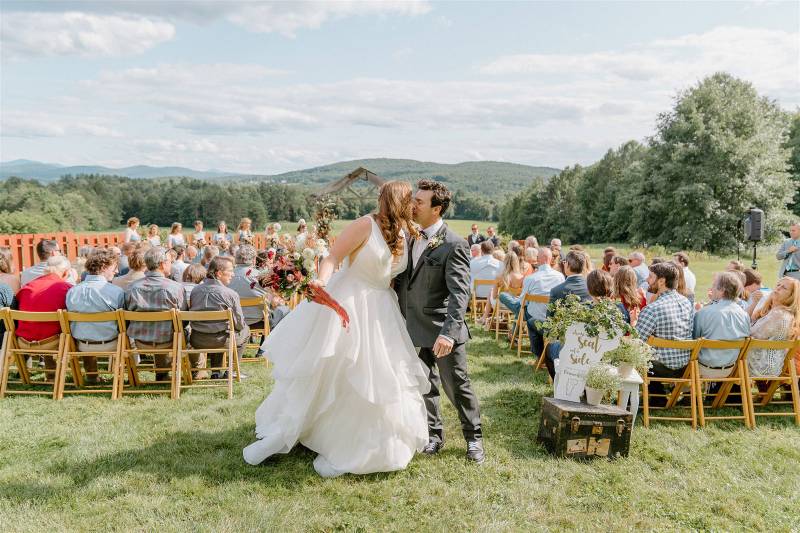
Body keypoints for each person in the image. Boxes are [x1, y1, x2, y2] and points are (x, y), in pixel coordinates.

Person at [243, 180, 433, 476]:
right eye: (411, 200)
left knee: (380, 372)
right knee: (340, 368)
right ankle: (310, 429)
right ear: (399, 201)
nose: (414, 206)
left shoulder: (404, 232)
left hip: (383, 308)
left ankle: (368, 440)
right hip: (350, 300)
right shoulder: (364, 225)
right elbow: (332, 257)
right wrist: (320, 280)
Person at [635, 262, 695, 405]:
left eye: (650, 277)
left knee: (634, 353)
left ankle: (636, 398)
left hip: (660, 368)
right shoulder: (686, 302)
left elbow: (637, 340)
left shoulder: (653, 309)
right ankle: (657, 397)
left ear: (661, 281)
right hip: (684, 366)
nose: (647, 280)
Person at [124, 247, 187, 381]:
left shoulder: (132, 287)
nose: (171, 264)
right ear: (162, 264)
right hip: (169, 340)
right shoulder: (175, 288)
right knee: (183, 329)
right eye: (170, 261)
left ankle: (162, 373)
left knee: (164, 329)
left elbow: (126, 316)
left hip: (139, 341)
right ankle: (194, 371)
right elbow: (184, 317)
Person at [65, 249, 125, 384]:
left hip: (81, 345)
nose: (116, 272)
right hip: (112, 343)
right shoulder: (116, 292)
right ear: (104, 267)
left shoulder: (72, 291)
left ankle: (92, 376)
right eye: (114, 268)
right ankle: (124, 377)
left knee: (86, 328)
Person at [188, 256, 250, 380]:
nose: (233, 274)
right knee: (245, 330)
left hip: (197, 340)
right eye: (230, 271)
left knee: (217, 329)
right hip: (222, 341)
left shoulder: (195, 291)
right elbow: (239, 325)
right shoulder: (230, 294)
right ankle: (231, 370)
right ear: (219, 273)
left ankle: (215, 372)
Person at [14, 256, 73, 380]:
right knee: (66, 328)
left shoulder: (28, 287)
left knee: (46, 327)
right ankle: (89, 374)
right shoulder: (66, 288)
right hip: (52, 341)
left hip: (23, 341)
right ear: (66, 272)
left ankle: (51, 374)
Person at [692, 272, 751, 378]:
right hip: (731, 368)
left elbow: (694, 341)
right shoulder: (744, 314)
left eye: (714, 285)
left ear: (722, 291)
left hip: (703, 368)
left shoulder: (704, 313)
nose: (711, 288)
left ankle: (687, 393)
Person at [543, 250, 591, 377]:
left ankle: (558, 384)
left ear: (567, 265)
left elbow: (550, 322)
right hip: (590, 344)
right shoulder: (591, 288)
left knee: (547, 349)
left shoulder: (557, 290)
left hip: (566, 344)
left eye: (564, 262)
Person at [508, 247, 563, 356]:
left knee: (525, 311)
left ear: (539, 259)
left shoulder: (531, 278)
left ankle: (538, 354)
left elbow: (522, 302)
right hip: (553, 317)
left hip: (535, 317)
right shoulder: (560, 276)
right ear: (550, 259)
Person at [748, 277, 800, 376]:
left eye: (784, 288)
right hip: (772, 366)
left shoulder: (779, 314)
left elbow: (751, 334)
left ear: (791, 295)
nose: (778, 288)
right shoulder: (780, 313)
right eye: (778, 285)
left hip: (761, 366)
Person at [228, 245, 268, 357]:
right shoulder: (260, 276)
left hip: (233, 320)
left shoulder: (227, 275)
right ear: (254, 259)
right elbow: (268, 299)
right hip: (257, 320)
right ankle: (263, 349)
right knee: (279, 313)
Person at [480, 250, 524, 326]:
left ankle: (484, 316)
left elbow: (494, 296)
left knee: (491, 291)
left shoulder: (500, 277)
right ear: (516, 262)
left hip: (500, 304)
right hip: (515, 304)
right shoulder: (522, 277)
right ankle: (486, 317)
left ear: (505, 262)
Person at [470, 241, 501, 308]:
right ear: (493, 250)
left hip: (478, 293)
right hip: (494, 294)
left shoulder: (473, 262)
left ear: (481, 250)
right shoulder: (500, 264)